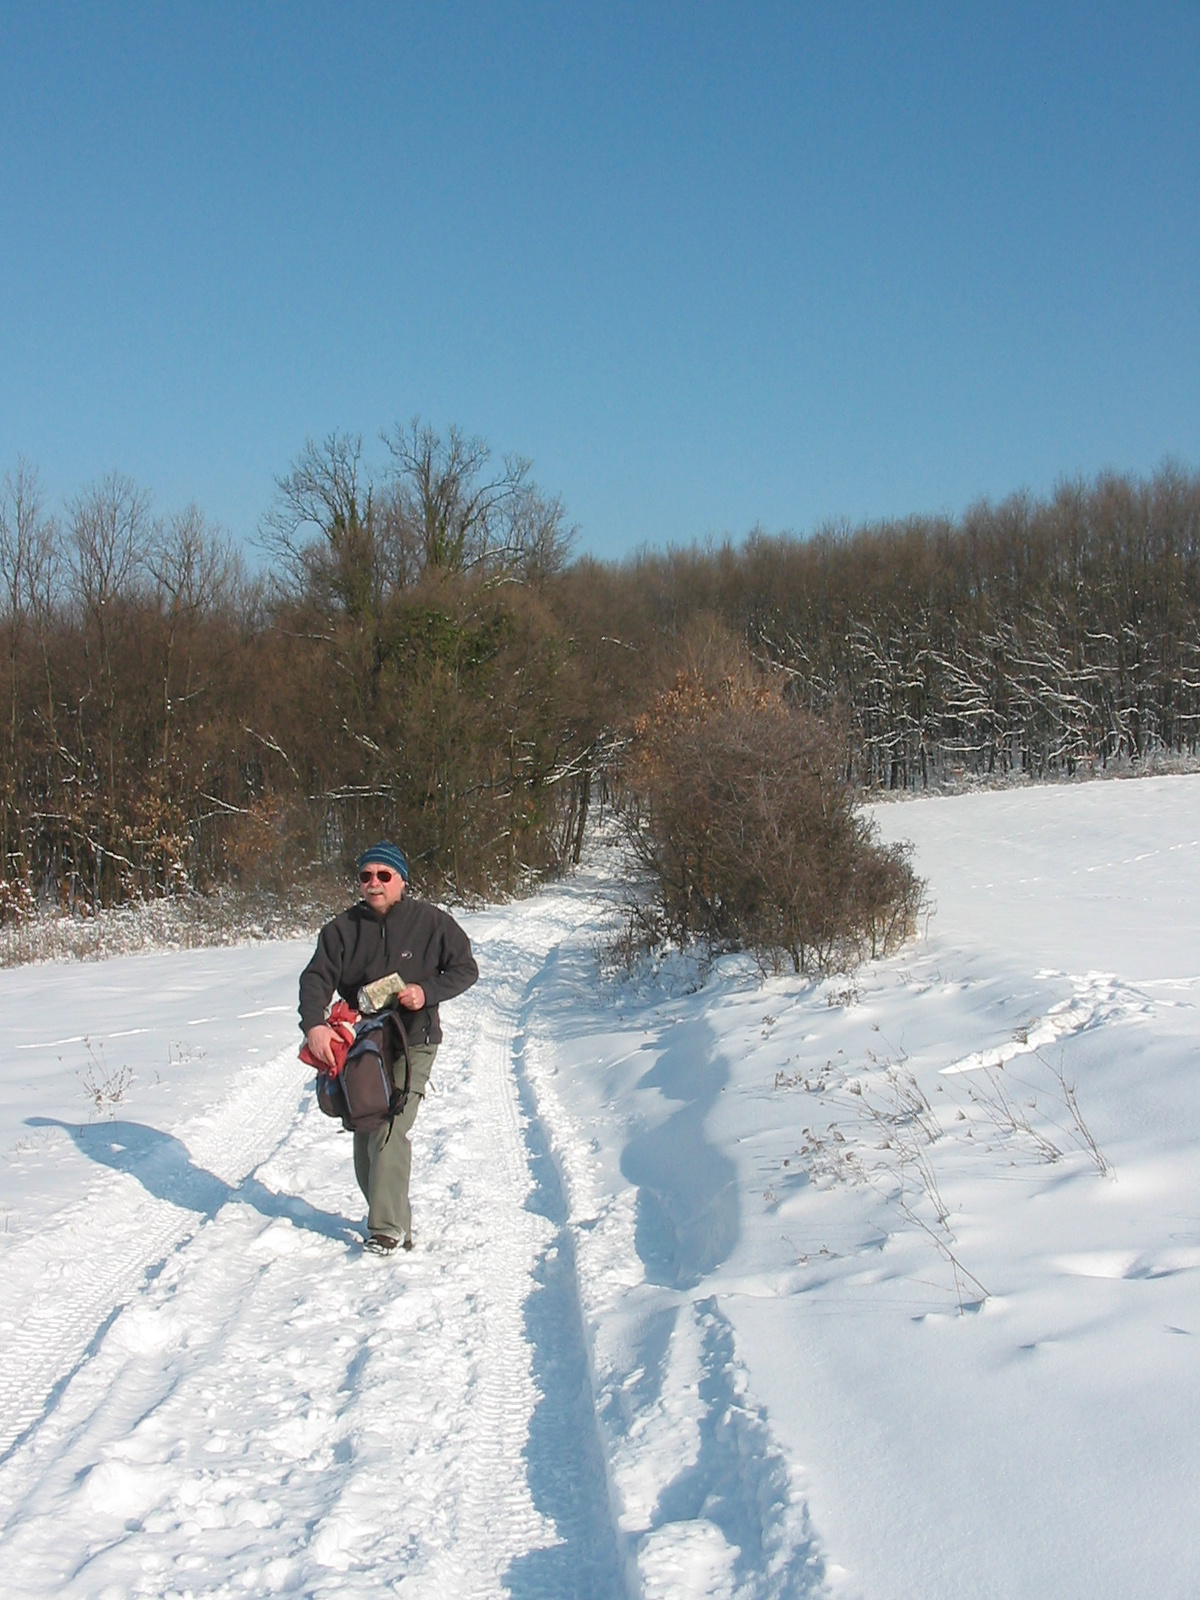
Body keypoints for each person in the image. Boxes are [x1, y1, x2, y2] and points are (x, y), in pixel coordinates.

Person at [299, 840, 478, 1254]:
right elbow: (315, 980)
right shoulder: (341, 931)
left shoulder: (432, 923)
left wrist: (426, 991)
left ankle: (386, 1228)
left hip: (414, 1040)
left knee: (390, 1125)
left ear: (401, 881)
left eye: (384, 875)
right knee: (366, 1131)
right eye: (366, 876)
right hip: (364, 1047)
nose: (374, 884)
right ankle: (398, 1223)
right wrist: (314, 1026)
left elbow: (467, 968)